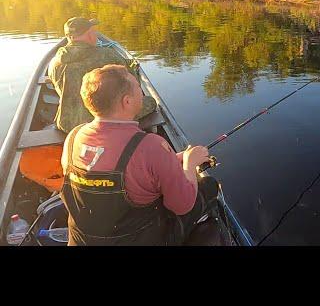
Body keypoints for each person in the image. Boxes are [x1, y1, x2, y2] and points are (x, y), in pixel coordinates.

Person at [59, 64, 219, 246]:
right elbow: (182, 205)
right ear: (127, 101)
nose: (141, 92)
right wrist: (190, 164)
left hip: (82, 241)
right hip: (141, 239)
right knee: (209, 186)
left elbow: (122, 170)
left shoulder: (73, 137)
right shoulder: (151, 145)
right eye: (137, 87)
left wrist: (171, 161)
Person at [48, 16, 156, 133]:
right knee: (150, 102)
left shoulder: (54, 62)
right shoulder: (107, 55)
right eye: (94, 32)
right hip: (103, 122)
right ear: (90, 34)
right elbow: (132, 84)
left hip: (68, 124)